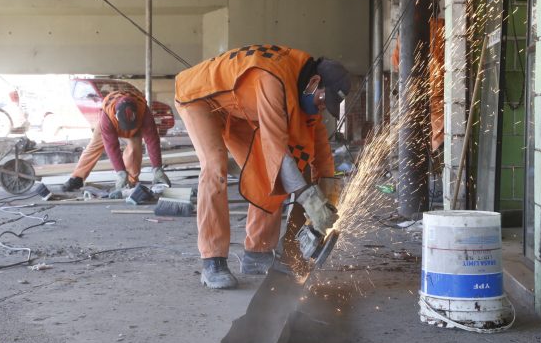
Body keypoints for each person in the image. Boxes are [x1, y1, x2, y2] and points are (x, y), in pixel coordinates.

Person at [174, 44, 350, 289]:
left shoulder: (303, 94)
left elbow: (322, 157)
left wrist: (329, 201)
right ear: (314, 82)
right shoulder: (273, 79)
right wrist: (309, 199)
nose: (322, 107)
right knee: (215, 166)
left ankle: (258, 253)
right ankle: (213, 260)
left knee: (269, 172)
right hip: (200, 98)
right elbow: (276, 149)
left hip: (238, 108)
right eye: (323, 99)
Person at [61, 89, 171, 193]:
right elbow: (112, 146)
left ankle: (131, 182)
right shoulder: (107, 115)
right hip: (110, 124)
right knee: (94, 146)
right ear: (116, 115)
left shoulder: (144, 112)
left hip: (135, 128)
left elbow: (152, 140)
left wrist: (157, 168)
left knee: (134, 149)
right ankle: (77, 178)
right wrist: (120, 172)